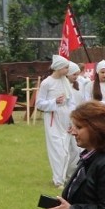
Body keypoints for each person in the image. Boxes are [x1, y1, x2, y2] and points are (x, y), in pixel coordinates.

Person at [37, 55, 76, 187]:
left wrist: (73, 120)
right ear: (58, 68)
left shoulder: (65, 81)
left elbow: (71, 102)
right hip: (53, 119)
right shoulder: (46, 83)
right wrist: (54, 102)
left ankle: (64, 177)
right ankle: (58, 180)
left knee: (66, 150)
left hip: (66, 118)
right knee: (57, 149)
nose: (67, 70)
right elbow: (39, 104)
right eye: (66, 67)